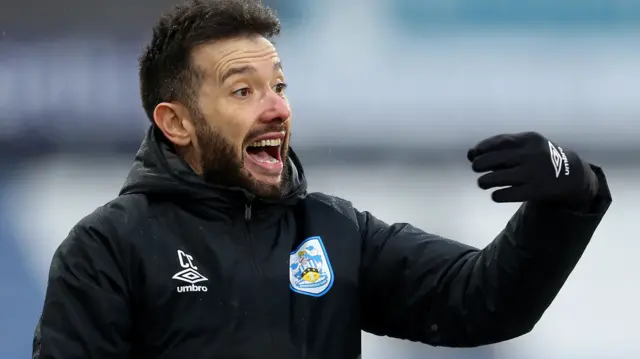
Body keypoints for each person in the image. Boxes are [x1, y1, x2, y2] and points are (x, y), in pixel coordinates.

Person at [32, 1, 612, 358]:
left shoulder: (334, 231)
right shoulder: (106, 248)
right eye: (244, 90)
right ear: (176, 122)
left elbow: (485, 301)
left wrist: (571, 194)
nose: (277, 109)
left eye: (279, 87)